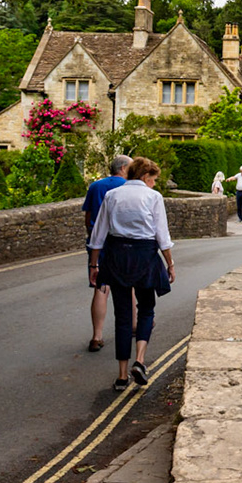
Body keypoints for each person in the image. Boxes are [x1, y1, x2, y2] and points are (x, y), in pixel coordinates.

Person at [87, 157, 174, 392]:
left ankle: (122, 376)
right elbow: (162, 236)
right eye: (154, 180)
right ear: (145, 177)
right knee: (146, 309)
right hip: (144, 255)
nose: (154, 184)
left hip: (116, 256)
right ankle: (140, 360)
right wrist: (170, 264)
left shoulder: (112, 195)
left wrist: (94, 266)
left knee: (123, 316)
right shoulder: (153, 197)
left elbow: (98, 235)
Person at [80, 155, 133, 352]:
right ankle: (134, 325)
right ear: (124, 168)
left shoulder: (95, 186)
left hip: (98, 244)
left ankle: (96, 336)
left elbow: (88, 216)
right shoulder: (128, 187)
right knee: (129, 285)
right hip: (120, 242)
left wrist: (93, 238)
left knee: (101, 288)